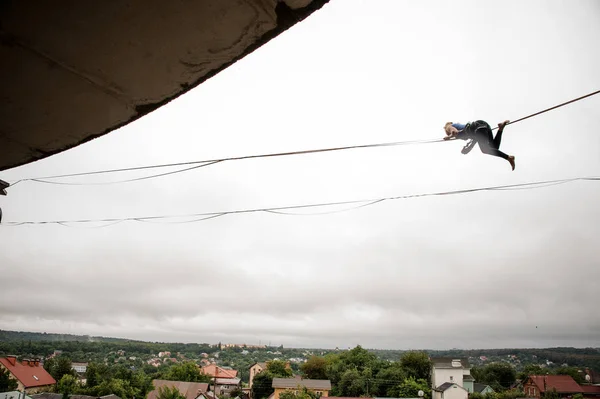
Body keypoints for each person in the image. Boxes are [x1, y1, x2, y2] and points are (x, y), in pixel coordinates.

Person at [444, 119, 516, 170]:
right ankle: (501, 128)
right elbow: (475, 140)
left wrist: (449, 136)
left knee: (484, 150)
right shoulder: (465, 131)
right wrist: (467, 149)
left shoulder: (448, 127)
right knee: (494, 147)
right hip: (483, 126)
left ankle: (509, 158)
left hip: (477, 127)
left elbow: (454, 132)